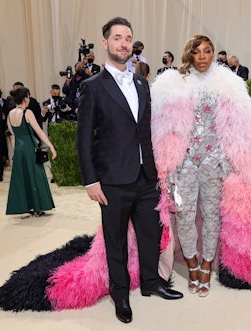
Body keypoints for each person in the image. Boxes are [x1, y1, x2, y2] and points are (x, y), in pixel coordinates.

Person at [76, 16, 183, 324]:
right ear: (106, 43)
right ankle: (120, 293)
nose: (123, 43)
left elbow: (146, 130)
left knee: (150, 234)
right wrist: (90, 180)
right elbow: (84, 139)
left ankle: (151, 282)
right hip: (111, 180)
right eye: (117, 38)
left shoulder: (141, 84)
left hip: (145, 177)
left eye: (128, 38)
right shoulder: (92, 87)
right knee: (116, 240)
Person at [151, 35, 251, 298]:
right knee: (183, 215)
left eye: (208, 51)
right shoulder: (174, 84)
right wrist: (169, 165)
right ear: (190, 55)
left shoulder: (228, 84)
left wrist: (232, 163)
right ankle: (192, 264)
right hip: (183, 164)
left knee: (211, 215)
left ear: (213, 53)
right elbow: (163, 128)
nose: (203, 56)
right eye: (197, 52)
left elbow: (238, 128)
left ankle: (207, 264)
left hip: (213, 164)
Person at [5, 87, 56, 216]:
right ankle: (38, 207)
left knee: (23, 178)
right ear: (26, 98)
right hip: (29, 148)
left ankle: (29, 207)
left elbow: (12, 135)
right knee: (36, 176)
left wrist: (16, 151)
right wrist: (51, 146)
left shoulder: (10, 114)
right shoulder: (27, 113)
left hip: (18, 149)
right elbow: (39, 131)